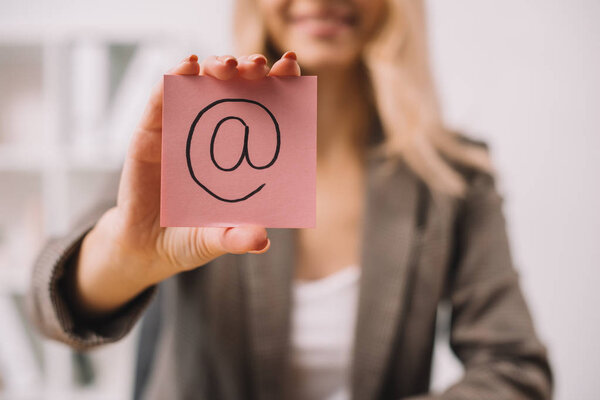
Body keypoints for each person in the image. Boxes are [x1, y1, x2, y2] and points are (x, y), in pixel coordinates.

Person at [27, 0, 552, 399]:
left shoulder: (455, 176)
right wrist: (123, 261)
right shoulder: (196, 137)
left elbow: (514, 369)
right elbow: (49, 306)